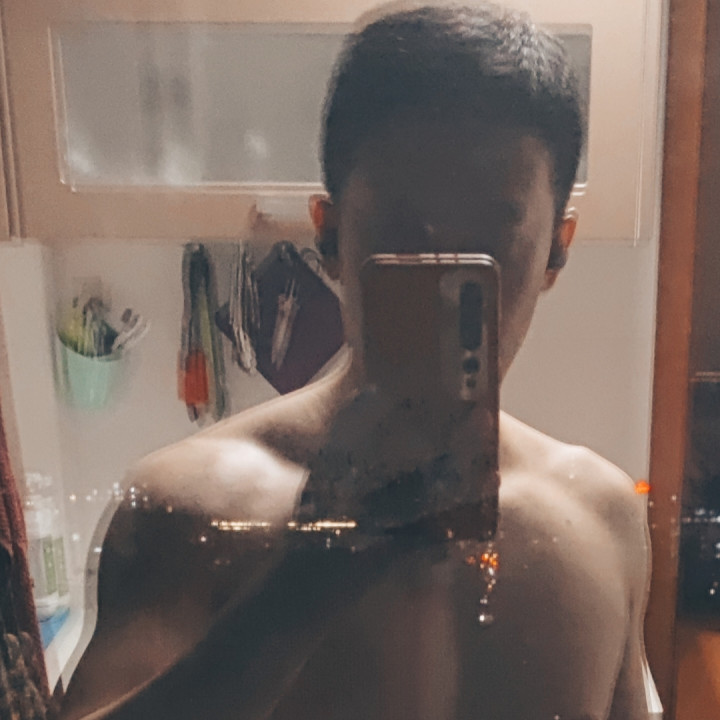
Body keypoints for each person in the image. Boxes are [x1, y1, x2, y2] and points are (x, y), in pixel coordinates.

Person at [59, 3, 652, 719]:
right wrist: (302, 587)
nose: (442, 272)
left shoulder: (605, 517)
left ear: (558, 248)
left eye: (491, 239)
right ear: (330, 236)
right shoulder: (188, 510)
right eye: (402, 231)